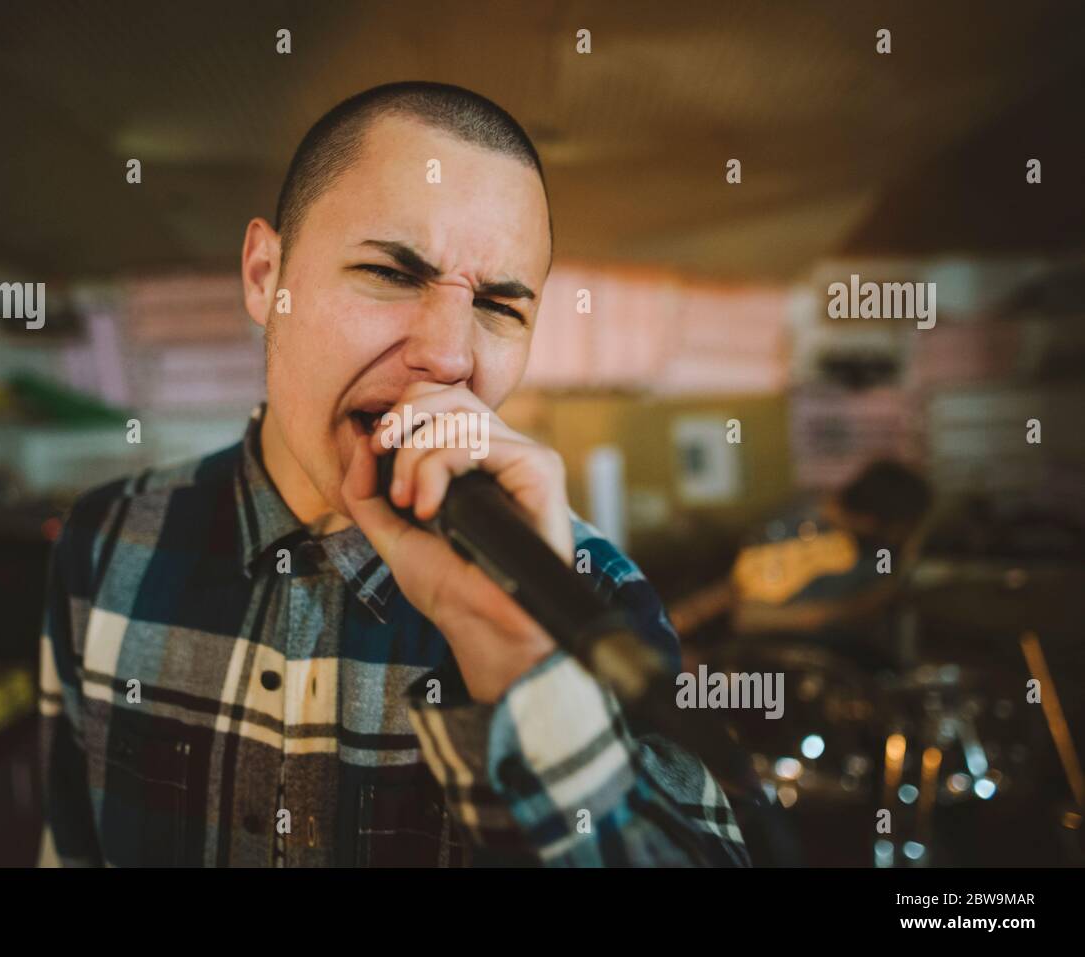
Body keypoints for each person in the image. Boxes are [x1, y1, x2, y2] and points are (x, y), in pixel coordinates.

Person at [39, 81, 750, 867]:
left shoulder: (591, 594)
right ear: (264, 276)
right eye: (391, 272)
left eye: (499, 307)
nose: (449, 355)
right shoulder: (106, 538)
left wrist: (527, 680)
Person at [728, 459, 934, 670]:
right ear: (871, 520)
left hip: (855, 664)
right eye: (901, 530)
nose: (898, 538)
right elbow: (749, 618)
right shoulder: (791, 531)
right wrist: (840, 613)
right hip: (779, 667)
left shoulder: (875, 545)